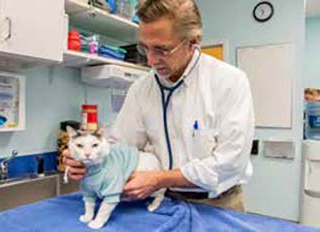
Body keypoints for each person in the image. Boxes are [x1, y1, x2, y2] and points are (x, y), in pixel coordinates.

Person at [63, 0, 255, 212]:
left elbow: (231, 163)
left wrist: (160, 178)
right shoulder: (141, 89)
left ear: (193, 41)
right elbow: (120, 146)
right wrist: (87, 157)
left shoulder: (229, 81)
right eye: (144, 48)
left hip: (218, 203)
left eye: (162, 49)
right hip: (161, 199)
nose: (151, 61)